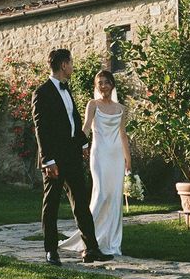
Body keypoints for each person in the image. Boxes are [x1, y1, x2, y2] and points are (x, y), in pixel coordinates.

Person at [32, 49, 114, 266]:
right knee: (51, 205)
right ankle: (51, 251)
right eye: (71, 63)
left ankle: (92, 249)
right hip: (54, 159)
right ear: (63, 65)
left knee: (81, 203)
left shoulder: (67, 91)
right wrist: (47, 160)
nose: (73, 66)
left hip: (71, 154)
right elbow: (41, 129)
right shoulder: (42, 92)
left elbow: (73, 120)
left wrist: (83, 143)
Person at [60, 69, 131, 256]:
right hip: (99, 154)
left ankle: (112, 241)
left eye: (107, 82)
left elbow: (123, 134)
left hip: (116, 156)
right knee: (101, 195)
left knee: (115, 197)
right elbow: (86, 127)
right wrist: (76, 146)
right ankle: (88, 237)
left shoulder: (122, 109)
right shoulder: (93, 105)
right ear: (96, 86)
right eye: (100, 83)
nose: (103, 86)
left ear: (112, 85)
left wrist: (128, 159)